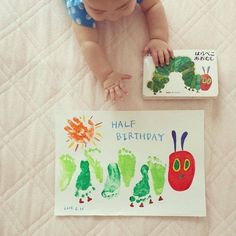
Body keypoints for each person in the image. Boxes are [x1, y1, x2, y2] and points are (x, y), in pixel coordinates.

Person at [65, 0, 174, 101]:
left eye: (123, 6)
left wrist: (158, 38)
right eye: (98, 11)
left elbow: (153, 5)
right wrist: (106, 76)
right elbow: (88, 43)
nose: (113, 16)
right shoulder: (78, 7)